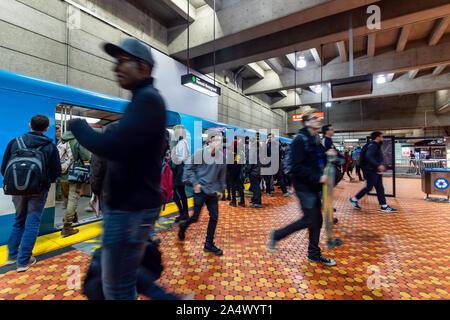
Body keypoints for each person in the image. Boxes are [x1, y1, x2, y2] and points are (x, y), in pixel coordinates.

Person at [69, 38, 167, 300]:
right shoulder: (142, 101)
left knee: (116, 287)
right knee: (123, 273)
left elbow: (112, 146)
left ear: (143, 67)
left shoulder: (147, 100)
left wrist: (78, 125)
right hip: (128, 208)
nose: (115, 68)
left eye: (122, 61)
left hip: (129, 211)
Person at [268, 108, 336, 266]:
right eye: (314, 118)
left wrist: (329, 156)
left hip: (313, 186)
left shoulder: (314, 140)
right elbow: (297, 167)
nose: (318, 120)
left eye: (318, 118)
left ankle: (313, 253)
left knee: (317, 221)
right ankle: (277, 235)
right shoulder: (300, 140)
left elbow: (318, 160)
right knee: (309, 219)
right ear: (306, 122)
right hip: (303, 187)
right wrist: (319, 177)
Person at [1, 114, 61, 271]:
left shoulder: (15, 143)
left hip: (17, 190)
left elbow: (4, 168)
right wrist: (45, 181)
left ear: (29, 125)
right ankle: (23, 261)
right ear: (47, 128)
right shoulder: (50, 146)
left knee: (18, 220)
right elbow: (56, 171)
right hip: (38, 190)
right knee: (32, 222)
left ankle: (12, 256)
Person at [178, 136, 226, 255]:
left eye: (220, 141)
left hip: (212, 192)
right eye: (215, 140)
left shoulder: (222, 158)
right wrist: (195, 183)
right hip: (200, 190)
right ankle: (183, 227)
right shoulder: (200, 154)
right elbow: (188, 168)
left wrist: (221, 189)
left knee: (214, 217)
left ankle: (208, 244)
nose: (218, 143)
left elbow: (222, 176)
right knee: (195, 218)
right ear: (210, 141)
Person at [349, 132, 398, 213]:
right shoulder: (373, 145)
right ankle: (354, 199)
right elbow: (368, 156)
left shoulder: (375, 145)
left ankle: (384, 206)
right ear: (377, 137)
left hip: (375, 171)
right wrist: (378, 165)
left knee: (380, 188)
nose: (382, 138)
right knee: (369, 187)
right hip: (371, 170)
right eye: (381, 137)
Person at [58, 121, 91, 236]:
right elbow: (87, 156)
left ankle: (72, 217)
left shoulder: (61, 140)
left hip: (62, 175)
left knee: (67, 198)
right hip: (75, 175)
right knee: (73, 199)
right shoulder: (79, 140)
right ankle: (67, 227)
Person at [171, 125, 190, 222]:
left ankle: (183, 213)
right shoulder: (182, 142)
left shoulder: (182, 143)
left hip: (179, 169)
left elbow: (183, 158)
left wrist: (173, 156)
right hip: (180, 169)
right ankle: (184, 213)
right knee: (181, 193)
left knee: (173, 191)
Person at [246, 136, 263, 208]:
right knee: (256, 187)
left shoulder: (252, 150)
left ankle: (257, 202)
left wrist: (247, 170)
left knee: (255, 187)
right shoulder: (260, 149)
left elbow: (250, 162)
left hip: (254, 171)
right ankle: (254, 199)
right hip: (260, 171)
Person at [228, 137, 246, 207]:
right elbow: (242, 162)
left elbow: (228, 163)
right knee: (240, 186)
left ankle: (234, 202)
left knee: (233, 186)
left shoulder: (230, 152)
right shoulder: (240, 152)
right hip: (238, 170)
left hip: (232, 171)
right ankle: (242, 201)